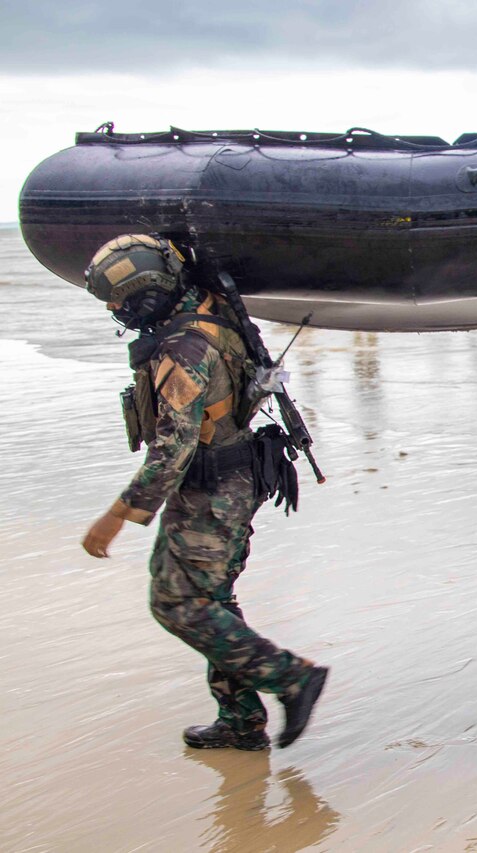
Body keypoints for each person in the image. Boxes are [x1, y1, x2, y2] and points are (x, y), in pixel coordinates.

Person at [79, 234, 328, 750]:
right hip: (236, 477)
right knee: (212, 600)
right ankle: (240, 719)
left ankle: (291, 678)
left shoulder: (183, 348)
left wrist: (116, 515)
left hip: (212, 487)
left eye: (119, 300)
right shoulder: (210, 314)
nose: (113, 309)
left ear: (147, 293)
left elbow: (173, 449)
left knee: (176, 603)